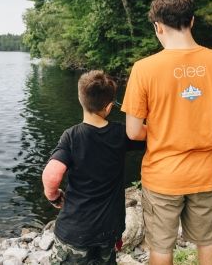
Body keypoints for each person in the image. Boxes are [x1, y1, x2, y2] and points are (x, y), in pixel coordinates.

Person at [121, 0, 212, 265]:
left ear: (158, 26)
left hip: (163, 177)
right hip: (204, 174)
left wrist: (164, 130)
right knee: (208, 242)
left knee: (161, 249)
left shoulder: (144, 69)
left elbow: (133, 131)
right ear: (192, 21)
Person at [42, 70, 145, 265]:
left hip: (74, 232)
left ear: (81, 99)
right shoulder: (121, 133)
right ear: (108, 107)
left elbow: (51, 176)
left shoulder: (71, 136)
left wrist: (54, 197)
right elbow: (151, 134)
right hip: (109, 231)